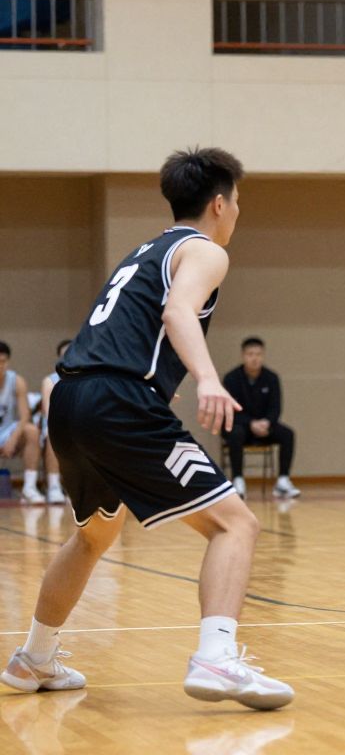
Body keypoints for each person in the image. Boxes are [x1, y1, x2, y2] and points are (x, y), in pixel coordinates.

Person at [1, 147, 293, 710]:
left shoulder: (144, 249)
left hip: (72, 399)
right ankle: (217, 657)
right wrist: (208, 378)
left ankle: (34, 656)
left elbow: (127, 327)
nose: (237, 212)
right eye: (237, 202)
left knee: (94, 534)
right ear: (218, 203)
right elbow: (177, 314)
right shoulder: (205, 250)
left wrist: (162, 377)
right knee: (236, 524)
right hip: (117, 401)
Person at [222, 337, 300, 499]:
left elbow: (276, 407)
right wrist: (250, 423)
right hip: (241, 425)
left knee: (287, 434)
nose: (254, 358)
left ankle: (283, 481)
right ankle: (238, 479)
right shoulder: (231, 378)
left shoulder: (271, 378)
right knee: (235, 433)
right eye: (250, 354)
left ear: (263, 356)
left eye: (258, 354)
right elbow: (231, 409)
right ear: (243, 356)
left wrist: (267, 422)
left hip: (265, 426)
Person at [0, 341, 45, 504]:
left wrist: (12, 439)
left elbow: (25, 415)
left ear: (8, 362)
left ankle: (29, 488)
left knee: (31, 431)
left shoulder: (17, 381)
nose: (0, 366)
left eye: (3, 361)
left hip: (7, 432)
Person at [38, 339, 73, 505]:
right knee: (55, 433)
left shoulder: (86, 380)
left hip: (79, 427)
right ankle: (53, 486)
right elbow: (48, 412)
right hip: (55, 424)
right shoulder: (50, 380)